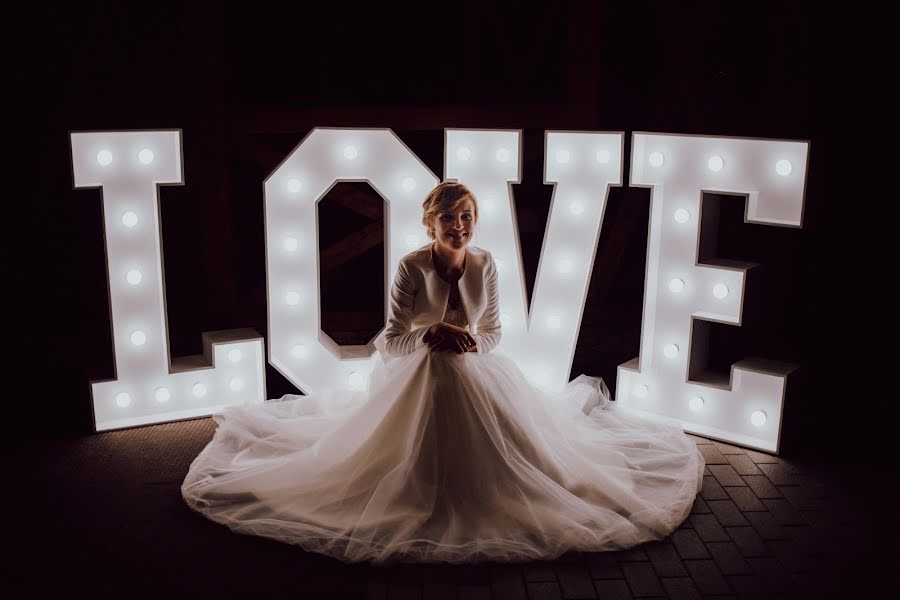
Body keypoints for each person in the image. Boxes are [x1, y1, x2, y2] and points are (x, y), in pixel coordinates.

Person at [181, 181, 704, 564]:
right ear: (431, 224)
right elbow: (389, 341)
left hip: (476, 368)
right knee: (438, 372)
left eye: (467, 216)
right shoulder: (411, 266)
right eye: (450, 218)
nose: (460, 226)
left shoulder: (485, 262)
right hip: (418, 371)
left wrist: (470, 342)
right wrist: (431, 337)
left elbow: (496, 330)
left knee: (499, 415)